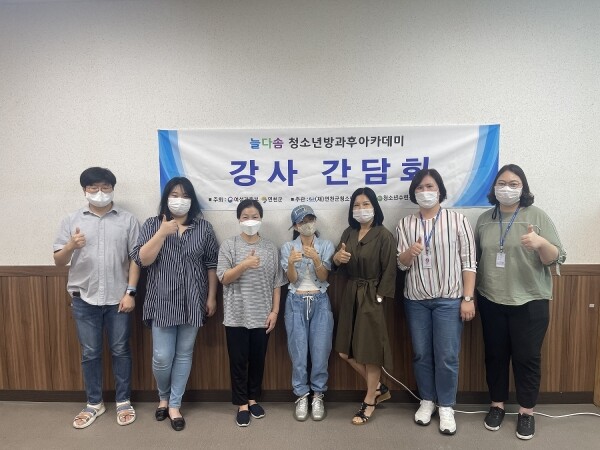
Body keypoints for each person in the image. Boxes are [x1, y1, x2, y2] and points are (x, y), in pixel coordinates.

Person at [475, 164, 566, 440]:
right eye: (502, 183)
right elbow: (476, 258)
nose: (507, 188)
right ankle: (497, 405)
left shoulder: (537, 216)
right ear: (494, 188)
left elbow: (557, 258)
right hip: (491, 298)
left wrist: (541, 244)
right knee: (495, 356)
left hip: (530, 301)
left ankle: (526, 412)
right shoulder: (484, 219)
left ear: (523, 188)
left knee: (527, 358)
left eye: (514, 184)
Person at [53, 167, 140, 429]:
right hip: (84, 298)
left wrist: (131, 292)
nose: (99, 192)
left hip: (118, 298)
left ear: (113, 189)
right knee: (90, 353)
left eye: (105, 187)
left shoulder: (128, 220)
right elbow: (59, 261)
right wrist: (71, 245)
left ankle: (123, 400)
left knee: (120, 350)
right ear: (84, 190)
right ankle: (94, 403)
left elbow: (135, 259)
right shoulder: (71, 220)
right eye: (93, 187)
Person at [130, 176, 218, 432]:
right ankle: (163, 396)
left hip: (193, 299)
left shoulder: (203, 228)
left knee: (184, 354)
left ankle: (174, 405)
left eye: (185, 196)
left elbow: (211, 264)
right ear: (166, 198)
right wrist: (161, 233)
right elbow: (142, 259)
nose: (180, 200)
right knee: (161, 357)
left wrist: (211, 297)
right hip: (162, 300)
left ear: (192, 201)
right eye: (175, 195)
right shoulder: (152, 224)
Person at [396, 169, 477, 435]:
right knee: (421, 353)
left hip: (449, 300)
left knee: (447, 356)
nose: (425, 192)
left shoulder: (457, 220)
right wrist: (410, 253)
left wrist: (467, 298)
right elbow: (401, 264)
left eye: (429, 186)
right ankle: (427, 400)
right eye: (419, 188)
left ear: (440, 190)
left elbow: (469, 262)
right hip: (416, 299)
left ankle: (446, 406)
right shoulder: (405, 224)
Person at [217, 199, 287, 427]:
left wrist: (275, 311)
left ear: (261, 218)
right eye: (245, 217)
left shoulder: (270, 248)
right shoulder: (229, 245)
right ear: (239, 219)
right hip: (236, 315)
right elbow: (224, 278)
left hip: (262, 314)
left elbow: (277, 282)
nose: (250, 221)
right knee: (238, 361)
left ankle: (253, 398)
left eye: (254, 216)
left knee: (258, 360)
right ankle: (241, 404)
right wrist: (244, 264)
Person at [332, 187, 396, 425]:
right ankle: (377, 387)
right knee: (344, 350)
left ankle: (369, 400)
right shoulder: (349, 233)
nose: (361, 209)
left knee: (370, 353)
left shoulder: (384, 235)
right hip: (351, 293)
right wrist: (337, 259)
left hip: (372, 295)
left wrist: (379, 298)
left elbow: (390, 270)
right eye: (356, 205)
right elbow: (337, 263)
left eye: (366, 204)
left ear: (375, 207)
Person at [280, 205, 335, 421]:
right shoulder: (288, 247)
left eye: (310, 219)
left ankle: (318, 395)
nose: (307, 225)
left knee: (321, 350)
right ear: (295, 226)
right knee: (298, 351)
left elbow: (324, 277)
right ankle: (302, 395)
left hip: (320, 300)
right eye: (302, 222)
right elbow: (292, 280)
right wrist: (291, 264)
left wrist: (317, 260)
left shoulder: (326, 245)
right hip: (295, 301)